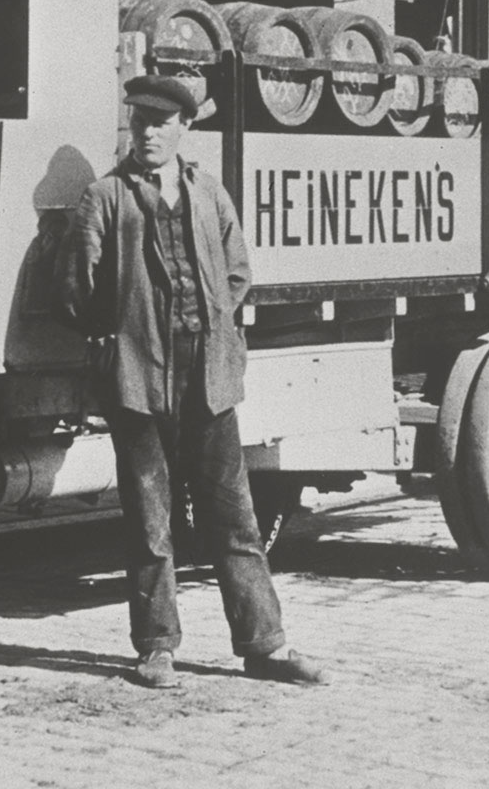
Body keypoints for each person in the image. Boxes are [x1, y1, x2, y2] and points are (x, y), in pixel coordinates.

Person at [60, 74, 328, 690]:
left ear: (184, 127)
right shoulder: (105, 197)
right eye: (139, 121)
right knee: (149, 522)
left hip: (207, 374)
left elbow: (237, 275)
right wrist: (115, 338)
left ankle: (266, 645)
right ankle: (156, 647)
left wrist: (209, 332)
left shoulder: (210, 193)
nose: (148, 131)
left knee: (234, 517)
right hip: (136, 377)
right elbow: (76, 288)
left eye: (161, 122)